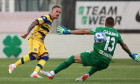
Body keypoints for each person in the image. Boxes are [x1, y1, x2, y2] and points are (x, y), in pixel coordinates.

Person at [40, 17, 140, 81]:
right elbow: (124, 45)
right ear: (114, 25)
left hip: (96, 56)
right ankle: (86, 75)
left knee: (72, 58)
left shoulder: (101, 29)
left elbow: (84, 31)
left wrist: (68, 32)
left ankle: (52, 73)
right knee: (99, 64)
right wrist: (131, 54)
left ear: (105, 23)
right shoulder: (117, 34)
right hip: (107, 61)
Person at [8, 6, 61, 78]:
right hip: (35, 38)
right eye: (56, 11)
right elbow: (35, 22)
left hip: (41, 41)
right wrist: (27, 32)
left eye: (59, 12)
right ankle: (13, 65)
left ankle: (35, 73)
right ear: (52, 11)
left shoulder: (50, 21)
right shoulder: (46, 17)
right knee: (33, 56)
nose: (58, 13)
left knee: (45, 56)